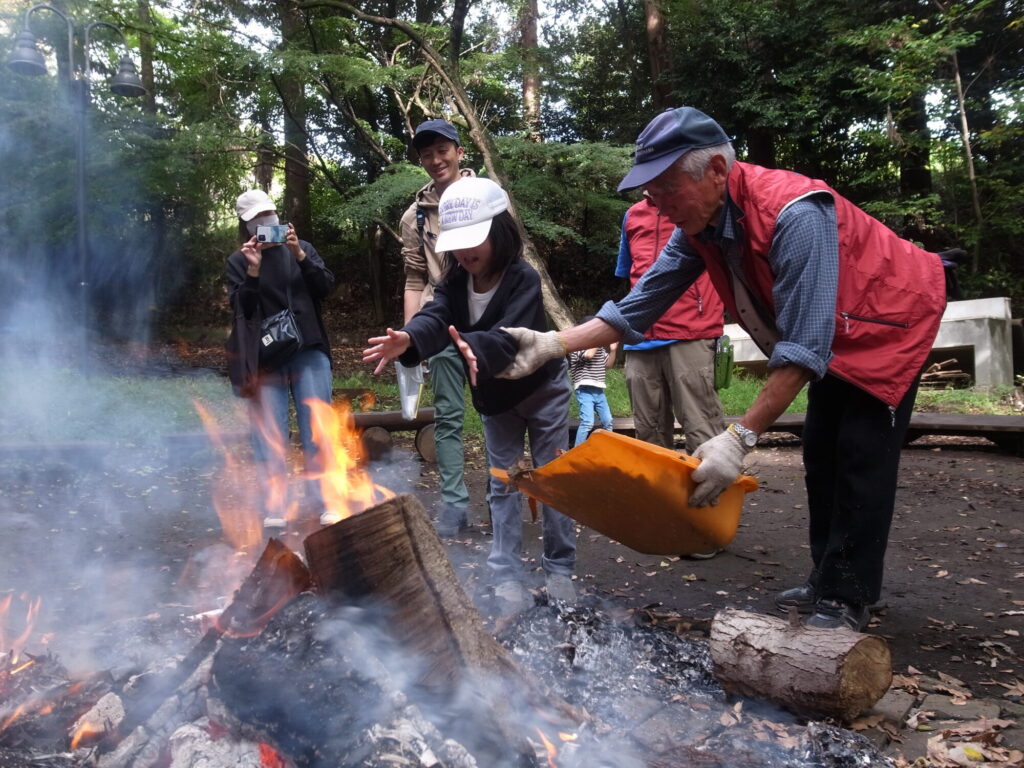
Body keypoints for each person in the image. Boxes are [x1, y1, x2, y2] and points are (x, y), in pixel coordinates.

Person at [482, 107, 947, 632]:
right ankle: (827, 578)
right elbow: (639, 305)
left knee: (860, 451)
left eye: (665, 188)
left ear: (717, 172)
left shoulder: (794, 212)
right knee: (821, 450)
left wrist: (738, 437)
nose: (656, 204)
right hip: (835, 327)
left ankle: (850, 595)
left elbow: (804, 349)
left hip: (888, 319)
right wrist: (552, 343)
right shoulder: (700, 223)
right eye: (650, 192)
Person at [364, 177, 577, 615]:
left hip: (541, 388)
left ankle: (559, 571)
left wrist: (471, 346)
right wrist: (408, 338)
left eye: (474, 241)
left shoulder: (522, 278)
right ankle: (506, 576)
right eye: (458, 244)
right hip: (495, 398)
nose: (466, 253)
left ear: (499, 231)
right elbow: (436, 315)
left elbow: (508, 338)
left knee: (551, 478)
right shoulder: (454, 280)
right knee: (502, 483)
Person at [225, 189, 336, 528]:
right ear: (247, 226)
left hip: (308, 350)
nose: (266, 222)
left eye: (269, 214)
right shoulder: (239, 261)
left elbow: (326, 287)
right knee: (269, 433)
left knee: (317, 428)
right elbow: (241, 310)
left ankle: (326, 500)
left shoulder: (301, 250)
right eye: (257, 219)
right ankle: (275, 504)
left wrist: (300, 254)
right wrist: (254, 272)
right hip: (265, 357)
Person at [400, 119, 476, 537]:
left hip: (490, 318)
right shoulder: (415, 217)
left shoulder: (486, 197)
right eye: (426, 155)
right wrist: (410, 338)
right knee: (448, 416)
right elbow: (415, 278)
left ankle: (506, 496)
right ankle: (454, 505)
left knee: (502, 411)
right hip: (443, 322)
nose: (434, 160)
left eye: (441, 150)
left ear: (459, 151)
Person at [616, 194, 726, 454]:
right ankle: (660, 496)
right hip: (640, 337)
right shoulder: (632, 215)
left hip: (691, 331)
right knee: (648, 435)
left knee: (702, 431)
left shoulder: (700, 206)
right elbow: (629, 273)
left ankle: (714, 496)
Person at [567, 320, 618, 445]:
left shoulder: (599, 349)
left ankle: (608, 448)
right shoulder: (577, 347)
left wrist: (613, 350)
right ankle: (577, 450)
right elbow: (589, 355)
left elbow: (608, 365)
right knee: (588, 422)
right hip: (584, 390)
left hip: (599, 391)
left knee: (608, 421)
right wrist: (597, 339)